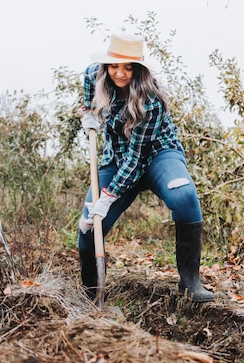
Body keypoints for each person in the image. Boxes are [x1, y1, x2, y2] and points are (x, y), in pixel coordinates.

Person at [78, 30, 215, 303]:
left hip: (157, 154)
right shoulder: (93, 74)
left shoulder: (149, 99)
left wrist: (110, 195)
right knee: (90, 224)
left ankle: (190, 282)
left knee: (184, 195)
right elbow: (88, 96)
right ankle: (92, 297)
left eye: (128, 67)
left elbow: (137, 159)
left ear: (138, 69)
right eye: (114, 65)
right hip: (116, 157)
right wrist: (88, 113)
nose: (120, 73)